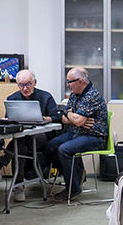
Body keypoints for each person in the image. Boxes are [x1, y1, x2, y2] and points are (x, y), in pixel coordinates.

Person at [41, 67, 108, 200]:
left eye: (70, 81)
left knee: (64, 150)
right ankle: (76, 174)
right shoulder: (74, 94)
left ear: (81, 81)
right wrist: (73, 116)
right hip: (79, 133)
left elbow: (75, 120)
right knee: (50, 146)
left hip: (94, 137)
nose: (68, 85)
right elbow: (65, 119)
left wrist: (71, 115)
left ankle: (73, 188)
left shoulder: (92, 95)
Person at [0, 69, 60, 200]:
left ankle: (0, 165)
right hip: (23, 137)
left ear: (35, 83)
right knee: (20, 147)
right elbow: (8, 119)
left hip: (43, 136)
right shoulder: (12, 99)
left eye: (28, 84)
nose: (25, 88)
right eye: (21, 85)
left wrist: (41, 118)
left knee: (22, 139)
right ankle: (19, 187)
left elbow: (56, 117)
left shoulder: (46, 96)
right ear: (17, 84)